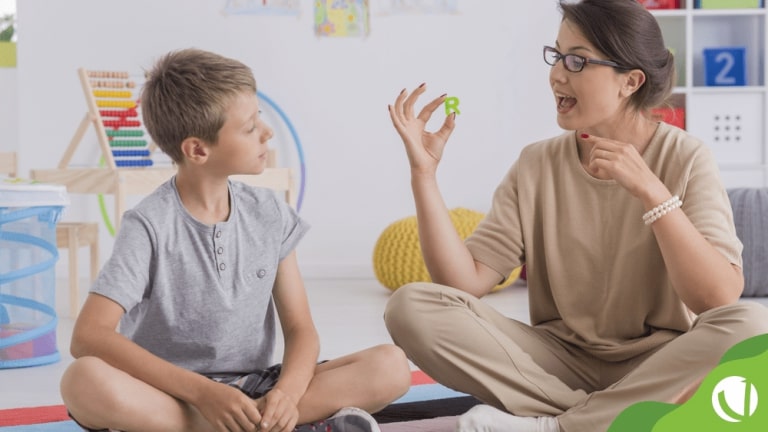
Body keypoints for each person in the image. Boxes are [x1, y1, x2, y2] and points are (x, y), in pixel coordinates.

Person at [383, 1, 768, 431]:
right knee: (410, 306)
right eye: (557, 54)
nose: (557, 74)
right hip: (555, 362)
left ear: (631, 81)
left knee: (752, 326)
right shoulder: (537, 163)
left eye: (577, 61)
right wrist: (424, 175)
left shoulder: (686, 156)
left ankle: (559, 425)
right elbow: (463, 283)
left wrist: (651, 190)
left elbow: (717, 298)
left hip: (661, 364)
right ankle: (603, 419)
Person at [60, 48, 411, 432]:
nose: (266, 131)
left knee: (391, 365)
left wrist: (288, 396)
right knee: (83, 381)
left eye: (258, 117)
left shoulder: (270, 213)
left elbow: (301, 329)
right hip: (168, 392)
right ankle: (250, 425)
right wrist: (202, 394)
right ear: (197, 149)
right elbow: (89, 336)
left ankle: (237, 424)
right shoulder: (148, 225)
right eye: (249, 127)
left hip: (255, 386)